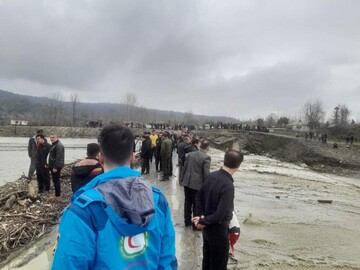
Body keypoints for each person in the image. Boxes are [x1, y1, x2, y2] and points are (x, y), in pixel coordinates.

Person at [52, 124, 177, 270]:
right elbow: (167, 261)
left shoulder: (83, 210)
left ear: (100, 157)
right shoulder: (158, 199)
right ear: (132, 157)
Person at [193, 150, 244, 270]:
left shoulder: (212, 175)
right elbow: (221, 214)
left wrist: (200, 218)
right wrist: (202, 220)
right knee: (218, 265)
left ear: (224, 160)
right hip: (218, 230)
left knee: (207, 260)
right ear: (238, 166)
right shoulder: (228, 185)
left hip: (207, 229)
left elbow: (198, 197)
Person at [180, 140, 211, 229]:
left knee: (187, 202)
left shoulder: (190, 154)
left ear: (200, 145)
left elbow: (184, 168)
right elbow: (206, 174)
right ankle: (195, 225)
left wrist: (182, 180)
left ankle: (187, 222)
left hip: (187, 182)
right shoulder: (206, 157)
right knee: (196, 204)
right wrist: (207, 187)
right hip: (197, 184)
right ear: (208, 148)